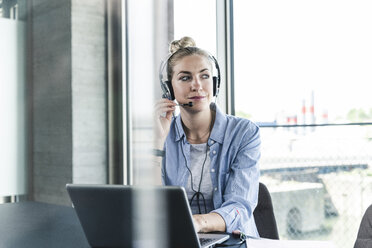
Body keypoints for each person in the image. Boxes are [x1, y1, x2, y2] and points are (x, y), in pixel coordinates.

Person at [154, 36, 261, 237]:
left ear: (215, 82)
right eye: (185, 78)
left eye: (204, 76)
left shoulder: (244, 133)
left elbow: (239, 207)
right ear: (169, 89)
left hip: (232, 241)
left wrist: (197, 223)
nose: (197, 85)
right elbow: (147, 206)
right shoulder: (164, 133)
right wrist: (158, 143)